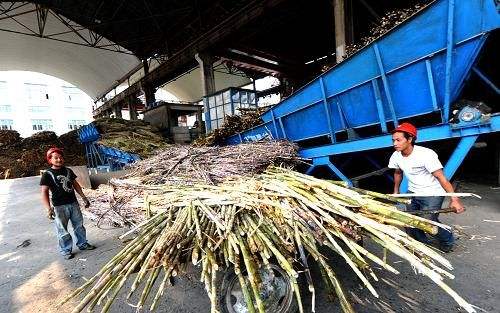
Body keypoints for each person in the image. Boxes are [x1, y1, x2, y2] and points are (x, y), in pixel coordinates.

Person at [388, 123, 465, 252]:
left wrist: (455, 199)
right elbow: (398, 172)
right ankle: (422, 243)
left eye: (398, 140)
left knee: (428, 222)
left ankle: (448, 239)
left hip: (432, 193)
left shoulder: (426, 155)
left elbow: (442, 178)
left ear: (410, 139)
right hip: (412, 192)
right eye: (393, 140)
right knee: (409, 219)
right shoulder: (396, 155)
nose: (395, 143)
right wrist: (396, 191)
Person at [40, 147, 96, 259]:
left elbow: (75, 185)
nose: (59, 160)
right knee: (62, 230)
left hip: (73, 204)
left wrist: (83, 197)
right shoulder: (47, 174)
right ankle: (66, 250)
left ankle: (82, 244)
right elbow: (44, 192)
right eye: (55, 158)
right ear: (50, 160)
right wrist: (48, 208)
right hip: (59, 206)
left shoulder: (68, 171)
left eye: (60, 157)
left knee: (79, 226)